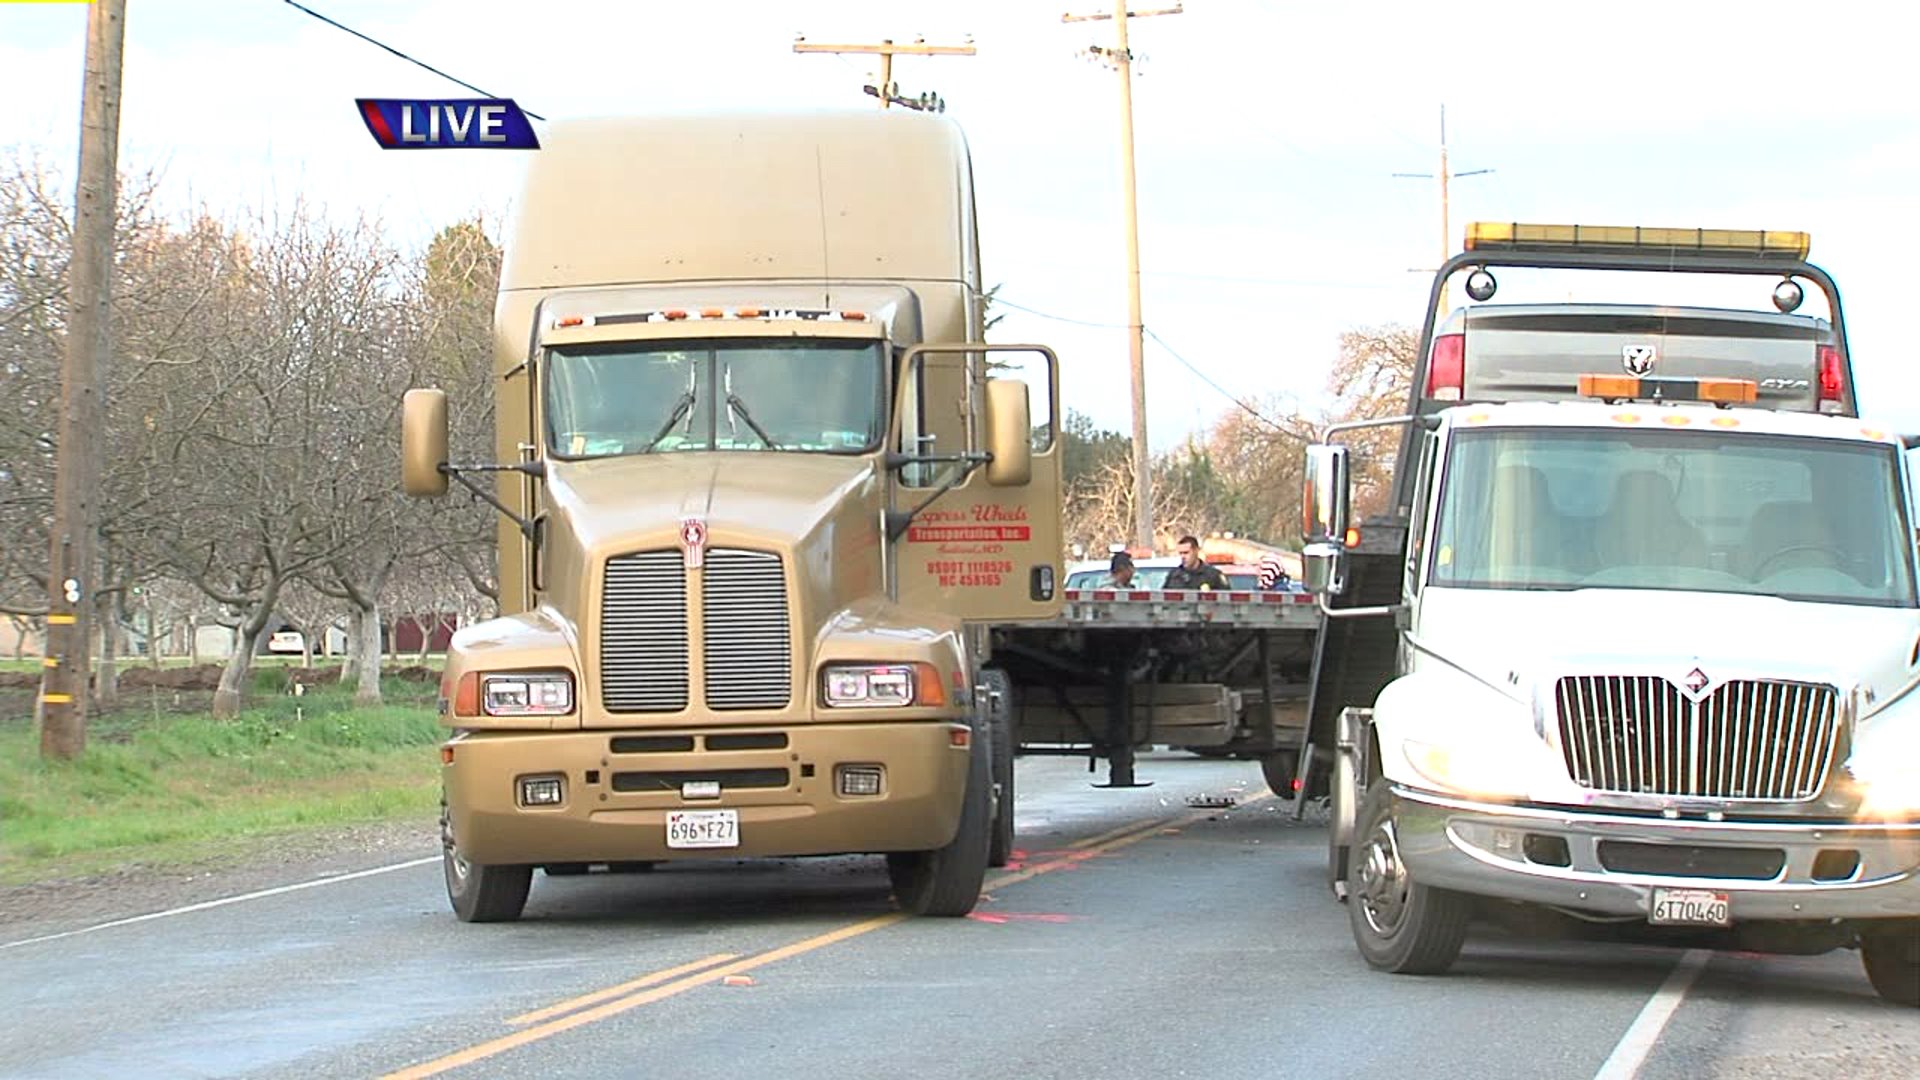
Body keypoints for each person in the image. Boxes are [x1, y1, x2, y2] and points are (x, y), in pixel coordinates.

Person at [1164, 534, 1229, 591]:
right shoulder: (1174, 575)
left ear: (1196, 551)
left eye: (1186, 553)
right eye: (1180, 553)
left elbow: (1226, 599)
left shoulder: (1213, 576)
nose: (1183, 557)